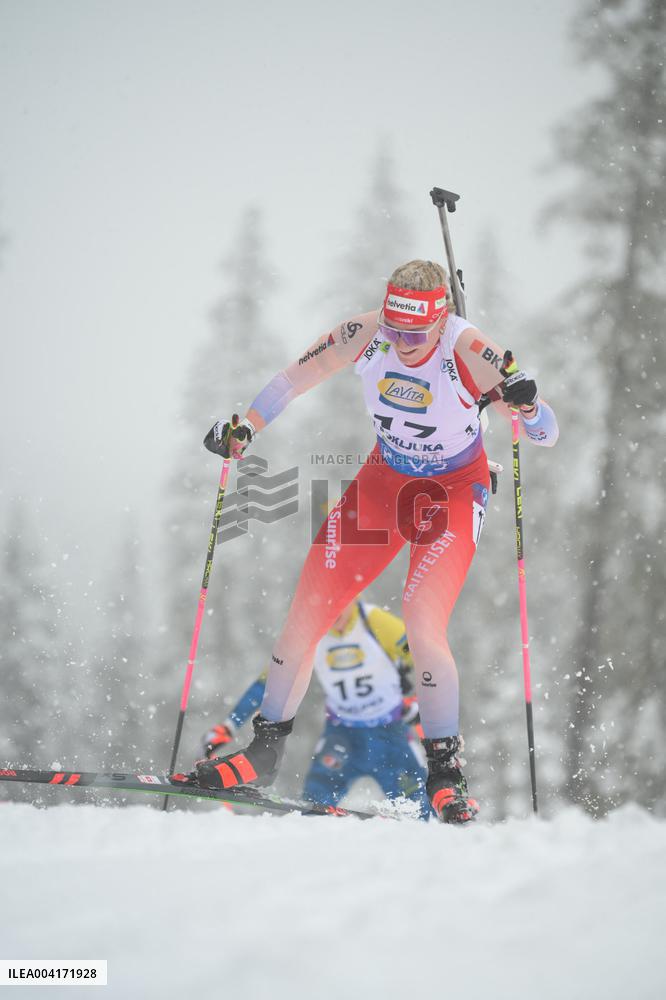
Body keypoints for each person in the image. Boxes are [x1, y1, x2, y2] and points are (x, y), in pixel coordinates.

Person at [198, 259, 558, 822]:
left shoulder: (471, 351)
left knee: (421, 619)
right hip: (383, 485)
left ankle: (445, 772)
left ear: (440, 322)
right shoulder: (367, 333)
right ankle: (264, 752)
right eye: (396, 329)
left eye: (416, 333)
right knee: (308, 611)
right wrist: (246, 428)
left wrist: (528, 405)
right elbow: (295, 378)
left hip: (452, 494)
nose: (404, 342)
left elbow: (546, 433)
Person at [200, 598, 429, 818]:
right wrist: (229, 725)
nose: (335, 612)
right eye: (328, 606)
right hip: (343, 735)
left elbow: (427, 662)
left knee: (419, 808)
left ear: (354, 595)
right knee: (314, 804)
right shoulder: (311, 635)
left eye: (341, 603)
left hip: (390, 734)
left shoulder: (375, 622)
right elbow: (270, 683)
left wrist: (419, 702)